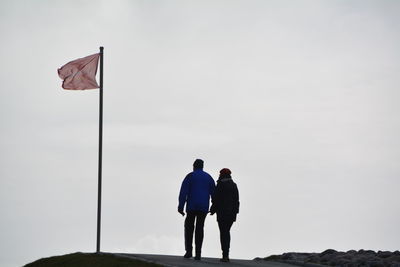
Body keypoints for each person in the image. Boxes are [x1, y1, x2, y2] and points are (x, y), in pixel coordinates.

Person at [178, 159, 215, 260]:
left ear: (194, 166)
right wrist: (213, 206)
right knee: (200, 228)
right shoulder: (208, 177)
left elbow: (183, 192)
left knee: (189, 227)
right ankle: (198, 253)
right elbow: (214, 193)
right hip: (203, 207)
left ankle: (189, 251)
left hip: (192, 206)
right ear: (202, 166)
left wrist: (180, 206)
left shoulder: (190, 176)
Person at [210, 168, 240, 262]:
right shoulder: (234, 185)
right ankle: (226, 255)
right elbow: (237, 201)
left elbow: (216, 199)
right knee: (226, 232)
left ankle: (225, 255)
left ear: (222, 175)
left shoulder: (220, 184)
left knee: (223, 233)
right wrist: (236, 212)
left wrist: (212, 210)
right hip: (231, 214)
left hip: (222, 213)